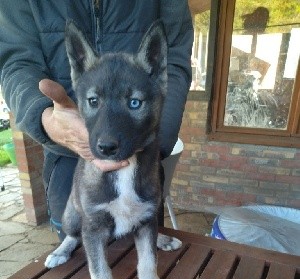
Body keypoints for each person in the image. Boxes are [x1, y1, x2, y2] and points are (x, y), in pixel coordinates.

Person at [0, 1, 193, 240]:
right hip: (68, 160)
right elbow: (17, 62)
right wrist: (44, 117)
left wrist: (155, 143)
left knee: (144, 244)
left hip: (145, 162)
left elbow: (173, 60)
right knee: (79, 259)